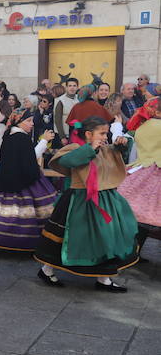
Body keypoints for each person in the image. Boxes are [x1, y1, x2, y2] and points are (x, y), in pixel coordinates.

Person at [34, 116, 139, 292]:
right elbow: (66, 161)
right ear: (89, 134)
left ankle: (104, 279)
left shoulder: (105, 149)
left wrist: (122, 145)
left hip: (105, 199)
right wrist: (90, 149)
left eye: (107, 133)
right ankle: (46, 269)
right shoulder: (76, 148)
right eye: (102, 133)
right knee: (64, 239)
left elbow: (116, 156)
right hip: (79, 200)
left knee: (107, 237)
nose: (106, 137)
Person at [0, 110, 57, 251]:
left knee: (1, 209)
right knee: (28, 211)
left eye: (32, 120)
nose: (32, 124)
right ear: (18, 122)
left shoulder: (9, 135)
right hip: (22, 180)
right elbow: (30, 159)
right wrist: (44, 141)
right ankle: (22, 241)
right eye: (28, 121)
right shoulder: (22, 138)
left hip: (7, 178)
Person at [117, 99, 160, 243]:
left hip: (141, 169)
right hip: (156, 170)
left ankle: (135, 250)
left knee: (140, 217)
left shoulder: (143, 126)